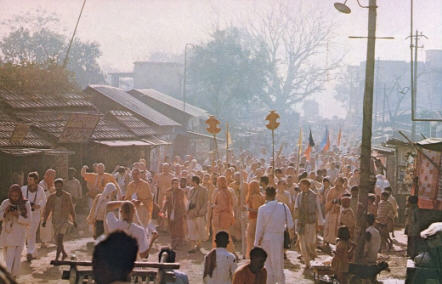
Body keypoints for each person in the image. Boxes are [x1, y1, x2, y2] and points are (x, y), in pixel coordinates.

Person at [255, 187, 294, 284]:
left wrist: (256, 243)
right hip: (279, 238)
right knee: (278, 264)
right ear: (275, 194)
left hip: (266, 239)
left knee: (267, 265)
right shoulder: (284, 207)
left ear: (265, 194)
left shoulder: (262, 209)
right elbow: (291, 225)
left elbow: (259, 228)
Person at [0, 185, 32, 277]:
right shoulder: (6, 202)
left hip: (19, 235)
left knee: (17, 259)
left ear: (20, 195)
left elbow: (29, 220)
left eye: (16, 196)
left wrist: (18, 215)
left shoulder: (26, 204)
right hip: (7, 235)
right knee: (8, 258)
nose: (14, 198)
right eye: (12, 195)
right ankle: (9, 276)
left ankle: (11, 276)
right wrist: (5, 212)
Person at [42, 178, 76, 261]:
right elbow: (47, 209)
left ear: (62, 186)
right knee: (57, 240)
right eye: (57, 186)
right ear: (55, 186)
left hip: (64, 220)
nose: (58, 187)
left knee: (60, 238)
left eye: (60, 186)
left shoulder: (67, 196)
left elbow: (71, 209)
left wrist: (74, 220)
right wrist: (45, 220)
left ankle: (57, 257)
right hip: (55, 220)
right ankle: (64, 253)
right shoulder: (51, 197)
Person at [294, 179, 324, 271]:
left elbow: (318, 209)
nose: (302, 187)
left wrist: (320, 222)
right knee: (302, 243)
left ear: (308, 185)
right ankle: (307, 262)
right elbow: (296, 208)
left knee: (310, 242)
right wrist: (296, 221)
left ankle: (311, 257)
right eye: (301, 185)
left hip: (311, 222)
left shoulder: (314, 196)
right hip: (301, 222)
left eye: (303, 185)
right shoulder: (299, 196)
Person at [21, 172, 46, 261]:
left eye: (31, 179)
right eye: (28, 179)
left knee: (32, 233)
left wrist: (38, 205)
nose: (29, 181)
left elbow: (44, 201)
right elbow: (19, 200)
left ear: (36, 180)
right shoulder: (23, 189)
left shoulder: (40, 189)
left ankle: (30, 252)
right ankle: (27, 251)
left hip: (35, 214)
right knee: (25, 232)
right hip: (24, 214)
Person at [162, 178, 187, 250]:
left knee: (178, 226)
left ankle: (178, 241)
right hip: (170, 211)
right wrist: (163, 209)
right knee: (171, 225)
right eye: (174, 183)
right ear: (172, 184)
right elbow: (166, 201)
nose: (176, 185)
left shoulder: (181, 191)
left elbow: (183, 202)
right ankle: (173, 239)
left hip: (179, 212)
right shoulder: (168, 191)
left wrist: (184, 212)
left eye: (177, 183)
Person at [187, 176, 209, 253]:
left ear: (195, 181)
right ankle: (192, 247)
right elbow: (189, 200)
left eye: (192, 181)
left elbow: (206, 201)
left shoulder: (204, 190)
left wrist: (202, 210)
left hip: (199, 213)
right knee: (192, 229)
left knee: (200, 230)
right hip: (191, 212)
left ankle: (199, 245)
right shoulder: (191, 190)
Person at [245, 181, 265, 257]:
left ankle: (251, 255)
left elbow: (257, 210)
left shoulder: (254, 197)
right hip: (256, 219)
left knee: (251, 238)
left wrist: (247, 208)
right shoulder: (260, 195)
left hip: (254, 219)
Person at [324, 177, 345, 246]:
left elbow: (345, 200)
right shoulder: (331, 190)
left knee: (338, 226)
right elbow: (328, 201)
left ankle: (337, 242)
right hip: (331, 211)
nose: (336, 183)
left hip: (340, 211)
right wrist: (333, 201)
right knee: (329, 226)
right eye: (336, 181)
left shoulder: (344, 191)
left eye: (338, 182)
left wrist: (340, 202)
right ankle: (327, 241)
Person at [39, 169, 56, 246]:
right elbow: (43, 195)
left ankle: (51, 239)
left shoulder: (54, 184)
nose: (52, 177)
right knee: (44, 223)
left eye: (53, 175)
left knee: (52, 223)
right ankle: (43, 241)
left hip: (52, 206)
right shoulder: (41, 184)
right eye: (50, 175)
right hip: (43, 206)